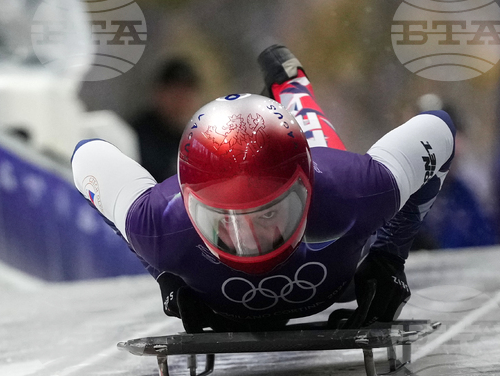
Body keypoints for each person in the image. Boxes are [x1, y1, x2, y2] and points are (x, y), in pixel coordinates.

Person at [71, 45, 456, 332]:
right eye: (225, 220)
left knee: (316, 138)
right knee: (320, 147)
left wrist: (390, 256)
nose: (249, 239)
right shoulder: (155, 223)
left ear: (307, 189)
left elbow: (439, 129)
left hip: (319, 183)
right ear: (191, 207)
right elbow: (85, 158)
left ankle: (291, 84)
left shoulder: (353, 187)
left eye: (269, 213)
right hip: (336, 272)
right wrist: (164, 275)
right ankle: (288, 88)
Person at [130, 58, 205, 181]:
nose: (181, 102)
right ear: (158, 94)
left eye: (186, 94)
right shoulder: (136, 136)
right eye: (174, 94)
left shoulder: (202, 139)